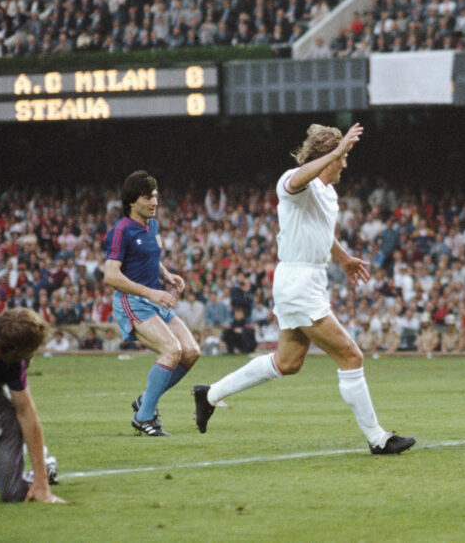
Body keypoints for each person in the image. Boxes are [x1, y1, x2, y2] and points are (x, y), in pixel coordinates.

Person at [193, 123, 415, 455]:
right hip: (297, 282)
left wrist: (343, 259)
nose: (345, 164)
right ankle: (377, 438)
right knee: (351, 355)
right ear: (328, 157)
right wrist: (336, 151)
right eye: (342, 158)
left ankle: (208, 395)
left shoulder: (328, 193)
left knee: (288, 361)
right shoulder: (292, 182)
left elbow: (321, 232)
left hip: (307, 279)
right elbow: (297, 180)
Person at [103, 170, 201, 437]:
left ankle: (145, 400)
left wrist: (167, 276)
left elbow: (149, 258)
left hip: (154, 298)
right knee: (171, 350)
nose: (154, 202)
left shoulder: (152, 226)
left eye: (155, 196)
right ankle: (144, 417)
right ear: (133, 201)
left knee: (191, 352)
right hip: (132, 301)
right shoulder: (120, 231)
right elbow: (111, 275)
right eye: (148, 197)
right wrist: (150, 293)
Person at [0, 308, 65, 503]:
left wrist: (42, 484)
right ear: (16, 352)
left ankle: (39, 472)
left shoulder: (9, 356)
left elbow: (26, 411)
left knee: (16, 494)